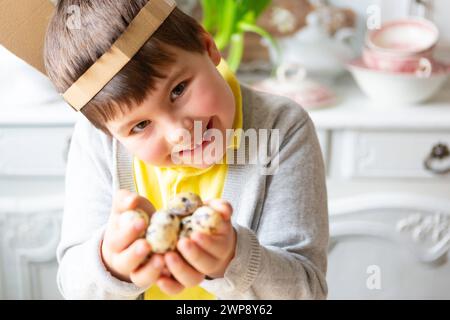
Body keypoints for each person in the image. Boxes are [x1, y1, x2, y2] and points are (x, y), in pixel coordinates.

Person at [44, 0, 329, 300]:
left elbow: (306, 291)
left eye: (178, 90)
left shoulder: (280, 129)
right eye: (140, 126)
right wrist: (111, 265)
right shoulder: (100, 141)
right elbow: (75, 287)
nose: (180, 133)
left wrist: (232, 260)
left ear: (207, 46)